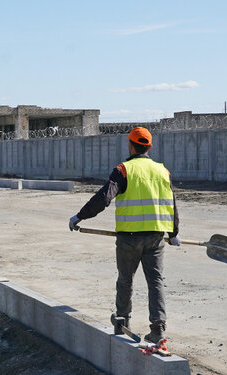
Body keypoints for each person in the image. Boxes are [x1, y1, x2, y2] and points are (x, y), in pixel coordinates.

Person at [68, 127, 180, 344]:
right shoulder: (162, 171)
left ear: (130, 145)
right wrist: (174, 232)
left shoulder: (124, 170)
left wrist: (79, 216)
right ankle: (158, 328)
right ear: (149, 147)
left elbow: (104, 197)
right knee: (156, 281)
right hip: (156, 237)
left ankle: (122, 322)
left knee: (125, 280)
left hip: (129, 237)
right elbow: (171, 204)